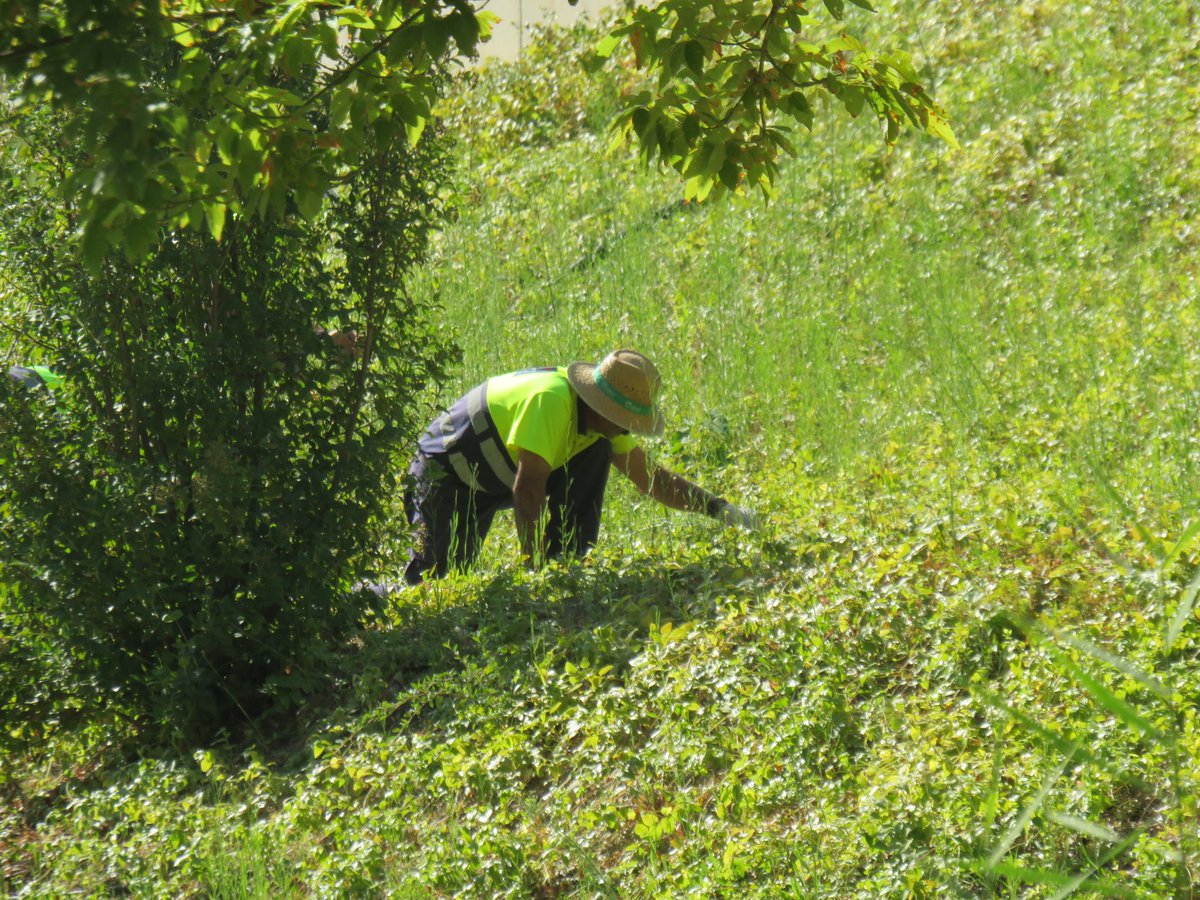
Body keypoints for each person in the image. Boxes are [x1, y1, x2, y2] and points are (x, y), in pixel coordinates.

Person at [403, 349, 758, 585]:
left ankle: (567, 564)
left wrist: (720, 509)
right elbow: (528, 491)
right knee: (433, 584)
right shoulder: (553, 402)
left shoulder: (597, 428)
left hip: (492, 477)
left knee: (595, 454)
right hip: (443, 477)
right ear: (602, 406)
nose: (627, 429)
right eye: (624, 420)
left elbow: (652, 479)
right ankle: (366, 600)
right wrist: (533, 569)